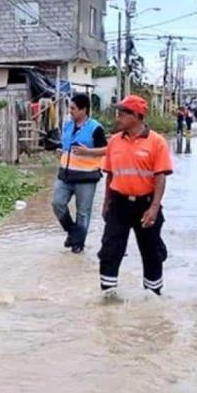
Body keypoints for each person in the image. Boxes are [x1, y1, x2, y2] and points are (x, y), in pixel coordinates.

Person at [98, 95, 173, 296]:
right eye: (119, 112)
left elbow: (160, 177)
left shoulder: (157, 142)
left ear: (137, 116)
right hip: (119, 204)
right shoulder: (114, 141)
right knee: (109, 250)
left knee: (151, 253)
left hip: (146, 205)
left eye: (123, 113)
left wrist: (154, 208)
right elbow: (110, 175)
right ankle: (108, 296)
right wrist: (106, 203)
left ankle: (153, 295)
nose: (118, 116)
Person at [52, 94, 107, 254]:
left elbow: (107, 149)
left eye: (73, 108)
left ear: (84, 110)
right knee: (57, 204)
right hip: (65, 174)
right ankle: (72, 232)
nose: (70, 111)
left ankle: (78, 245)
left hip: (86, 177)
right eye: (70, 108)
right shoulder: (68, 126)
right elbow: (66, 146)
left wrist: (88, 152)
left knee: (83, 212)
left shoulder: (96, 128)